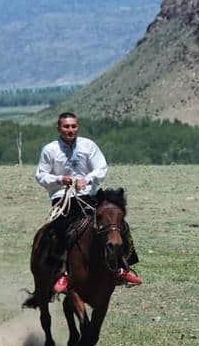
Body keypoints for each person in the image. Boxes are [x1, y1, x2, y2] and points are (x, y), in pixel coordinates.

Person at [35, 112, 142, 293]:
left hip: (90, 195)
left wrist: (88, 179)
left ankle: (122, 267)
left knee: (117, 224)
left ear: (78, 126)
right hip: (63, 197)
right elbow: (41, 175)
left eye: (74, 126)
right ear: (59, 128)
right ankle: (63, 273)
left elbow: (101, 167)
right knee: (60, 230)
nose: (71, 130)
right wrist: (61, 179)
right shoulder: (50, 150)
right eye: (66, 127)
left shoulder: (88, 145)